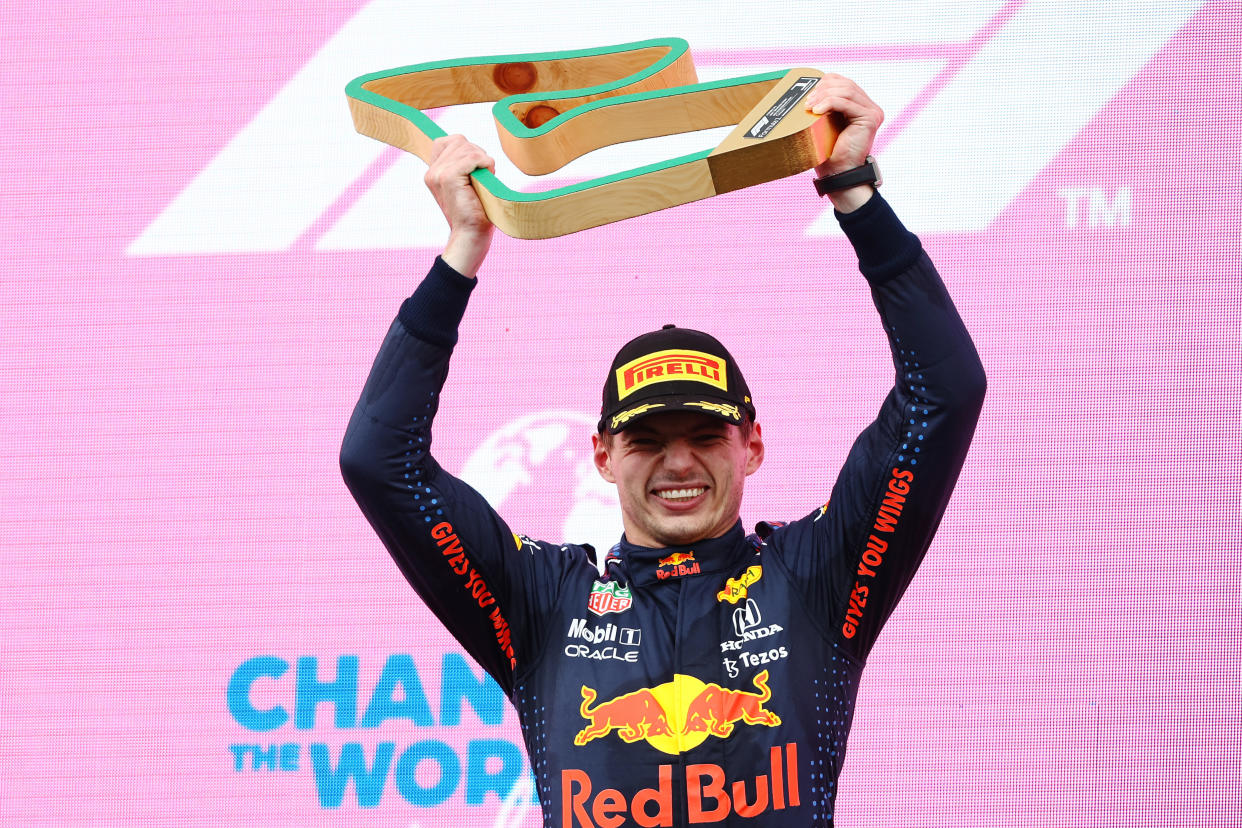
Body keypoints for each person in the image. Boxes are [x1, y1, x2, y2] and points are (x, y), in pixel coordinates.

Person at [340, 75, 985, 827]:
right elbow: (378, 459)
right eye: (646, 441)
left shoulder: (816, 579)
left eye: (705, 436)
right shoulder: (544, 604)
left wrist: (854, 192)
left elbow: (944, 392)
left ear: (753, 445)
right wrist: (461, 253)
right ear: (603, 456)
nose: (678, 462)